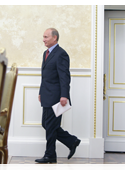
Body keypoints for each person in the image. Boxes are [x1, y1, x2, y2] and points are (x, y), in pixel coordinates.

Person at [35, 28, 81, 163]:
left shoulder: (61, 54)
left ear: (54, 38)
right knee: (47, 124)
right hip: (46, 95)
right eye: (43, 37)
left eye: (46, 37)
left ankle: (50, 155)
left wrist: (64, 95)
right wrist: (40, 92)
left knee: (49, 126)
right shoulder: (46, 53)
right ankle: (72, 141)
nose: (43, 39)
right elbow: (45, 76)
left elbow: (64, 77)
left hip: (56, 97)